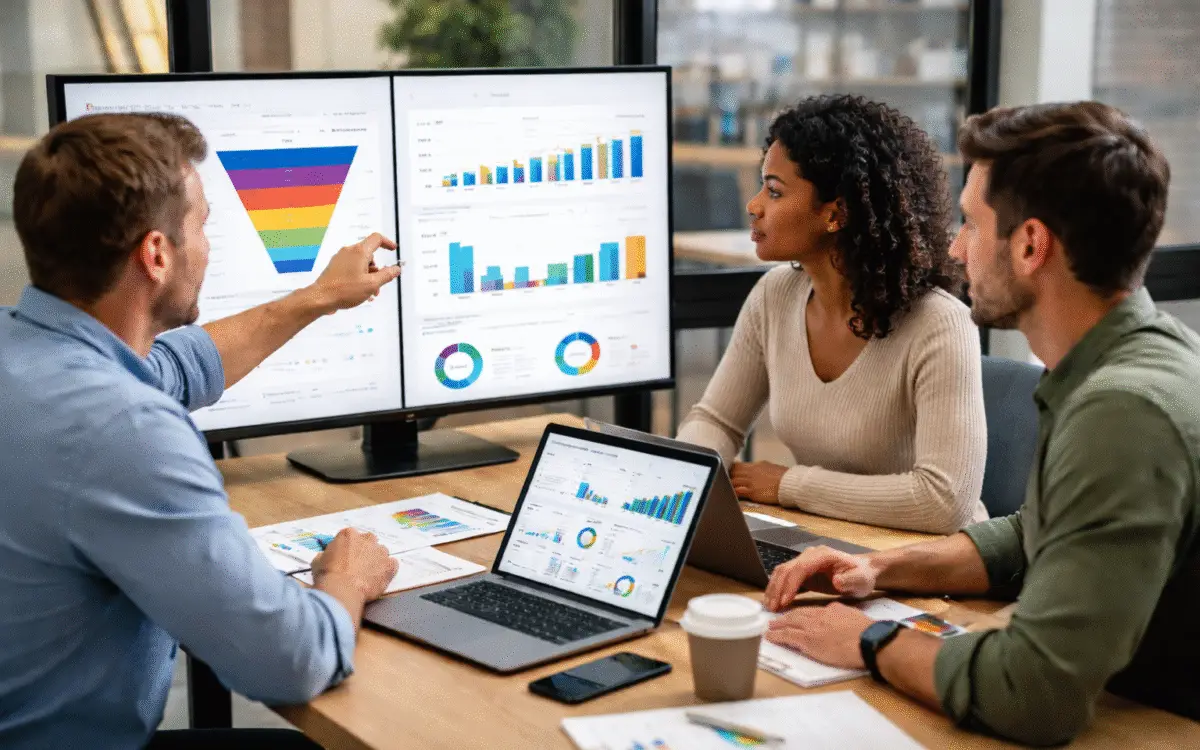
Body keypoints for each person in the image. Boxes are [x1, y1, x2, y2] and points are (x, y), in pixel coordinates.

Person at [760, 101, 1196, 746]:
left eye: (970, 222)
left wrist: (873, 640)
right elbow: (1038, 532)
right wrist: (886, 569)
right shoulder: (1137, 356)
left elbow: (1034, 694)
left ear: (1029, 245)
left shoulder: (1123, 410)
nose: (955, 247)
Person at [0, 113, 402, 749]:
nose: (208, 246)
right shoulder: (122, 428)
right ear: (157, 253)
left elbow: (171, 368)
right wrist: (344, 580)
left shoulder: (25, 350)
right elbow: (292, 659)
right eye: (203, 225)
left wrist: (318, 296)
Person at [677, 95, 987, 534]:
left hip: (928, 566)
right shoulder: (775, 295)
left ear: (836, 213)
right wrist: (688, 478)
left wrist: (790, 484)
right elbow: (715, 421)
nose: (754, 205)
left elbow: (944, 501)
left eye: (775, 190)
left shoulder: (940, 325)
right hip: (829, 541)